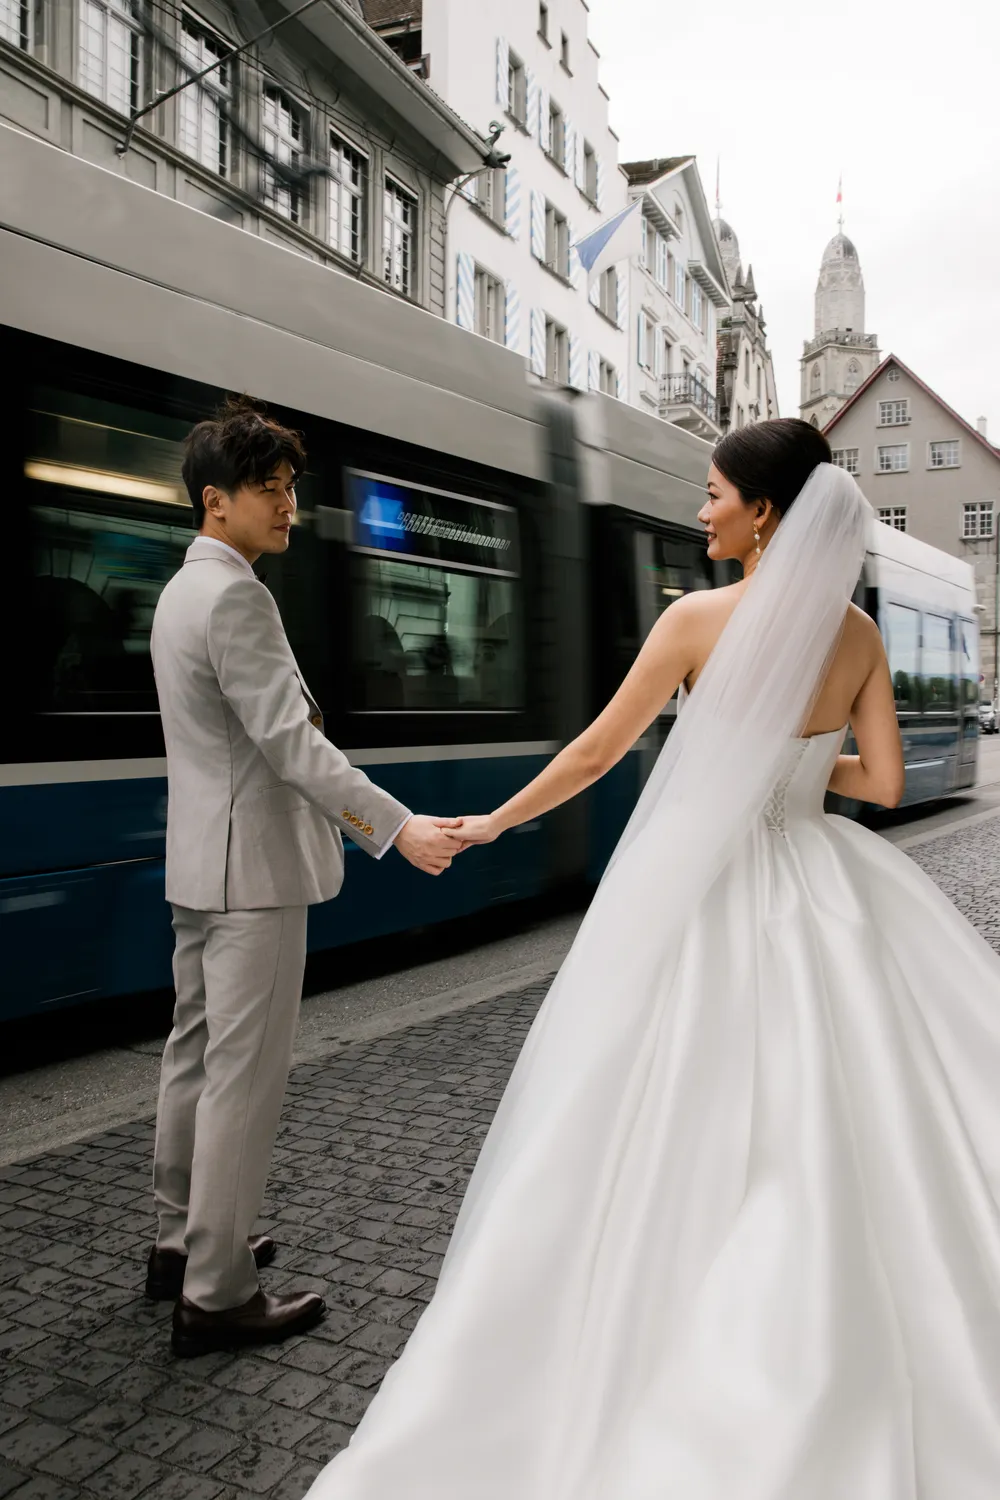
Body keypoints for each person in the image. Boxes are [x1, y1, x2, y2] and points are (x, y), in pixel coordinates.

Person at [305, 419, 1000, 1499]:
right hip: (825, 881)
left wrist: (492, 823)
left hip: (708, 891)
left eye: (713, 492)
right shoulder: (856, 633)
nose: (700, 509)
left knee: (654, 1107)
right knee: (861, 1102)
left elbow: (594, 752)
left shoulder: (694, 621)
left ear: (764, 513)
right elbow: (886, 789)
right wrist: (799, 772)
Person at [146, 396, 460, 1359]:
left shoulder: (179, 590)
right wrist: (395, 827)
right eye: (270, 490)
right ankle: (217, 1289)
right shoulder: (237, 595)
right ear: (216, 501)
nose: (289, 506)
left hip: (202, 860)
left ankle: (178, 1238)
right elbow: (291, 746)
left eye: (290, 489)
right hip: (256, 875)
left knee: (194, 1056)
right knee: (243, 1075)